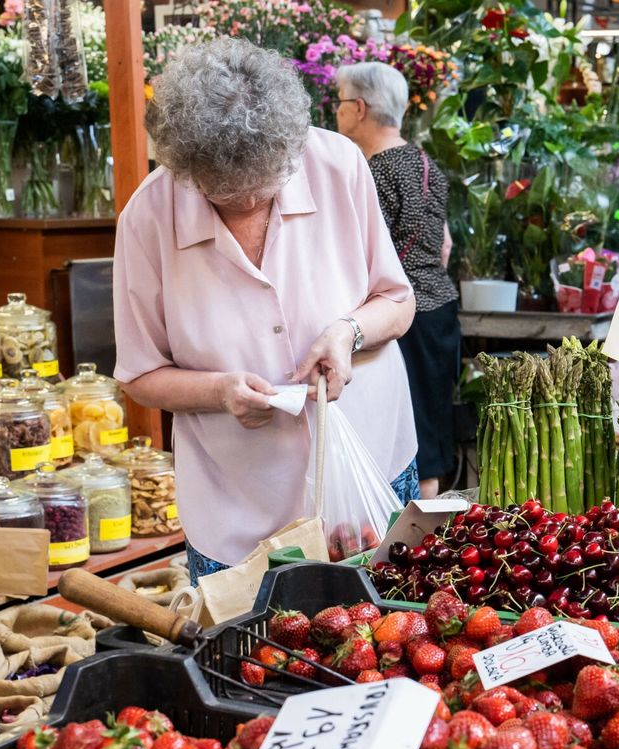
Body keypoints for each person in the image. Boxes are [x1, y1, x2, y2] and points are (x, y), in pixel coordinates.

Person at [113, 38, 420, 583]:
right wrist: (218, 391)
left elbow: (396, 301)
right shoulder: (148, 219)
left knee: (387, 641)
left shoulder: (336, 163)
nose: (250, 205)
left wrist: (348, 332)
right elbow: (141, 374)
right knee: (253, 657)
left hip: (370, 472)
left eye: (263, 188)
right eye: (227, 196)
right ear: (186, 168)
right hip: (237, 505)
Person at [335, 63, 459, 499]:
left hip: (400, 316)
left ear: (360, 108)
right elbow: (444, 245)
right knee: (431, 426)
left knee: (406, 435)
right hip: (440, 307)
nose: (337, 112)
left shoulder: (372, 171)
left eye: (340, 102)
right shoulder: (427, 164)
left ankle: (415, 544)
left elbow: (357, 256)